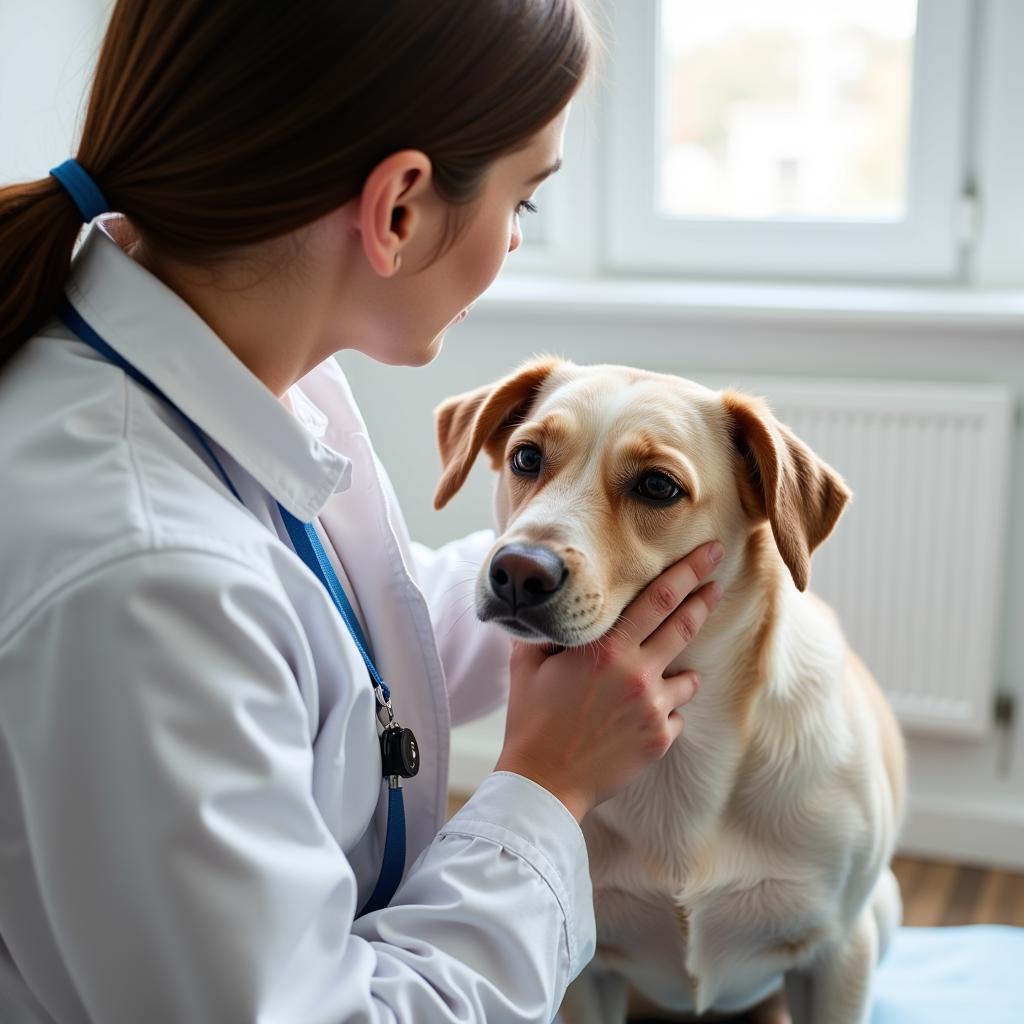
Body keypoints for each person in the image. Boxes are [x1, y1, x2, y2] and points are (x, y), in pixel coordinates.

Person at [0, 2, 723, 1021]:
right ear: (398, 210)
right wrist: (545, 788)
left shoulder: (231, 371)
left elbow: (343, 628)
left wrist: (580, 564)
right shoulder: (144, 579)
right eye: (527, 201)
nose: (515, 241)